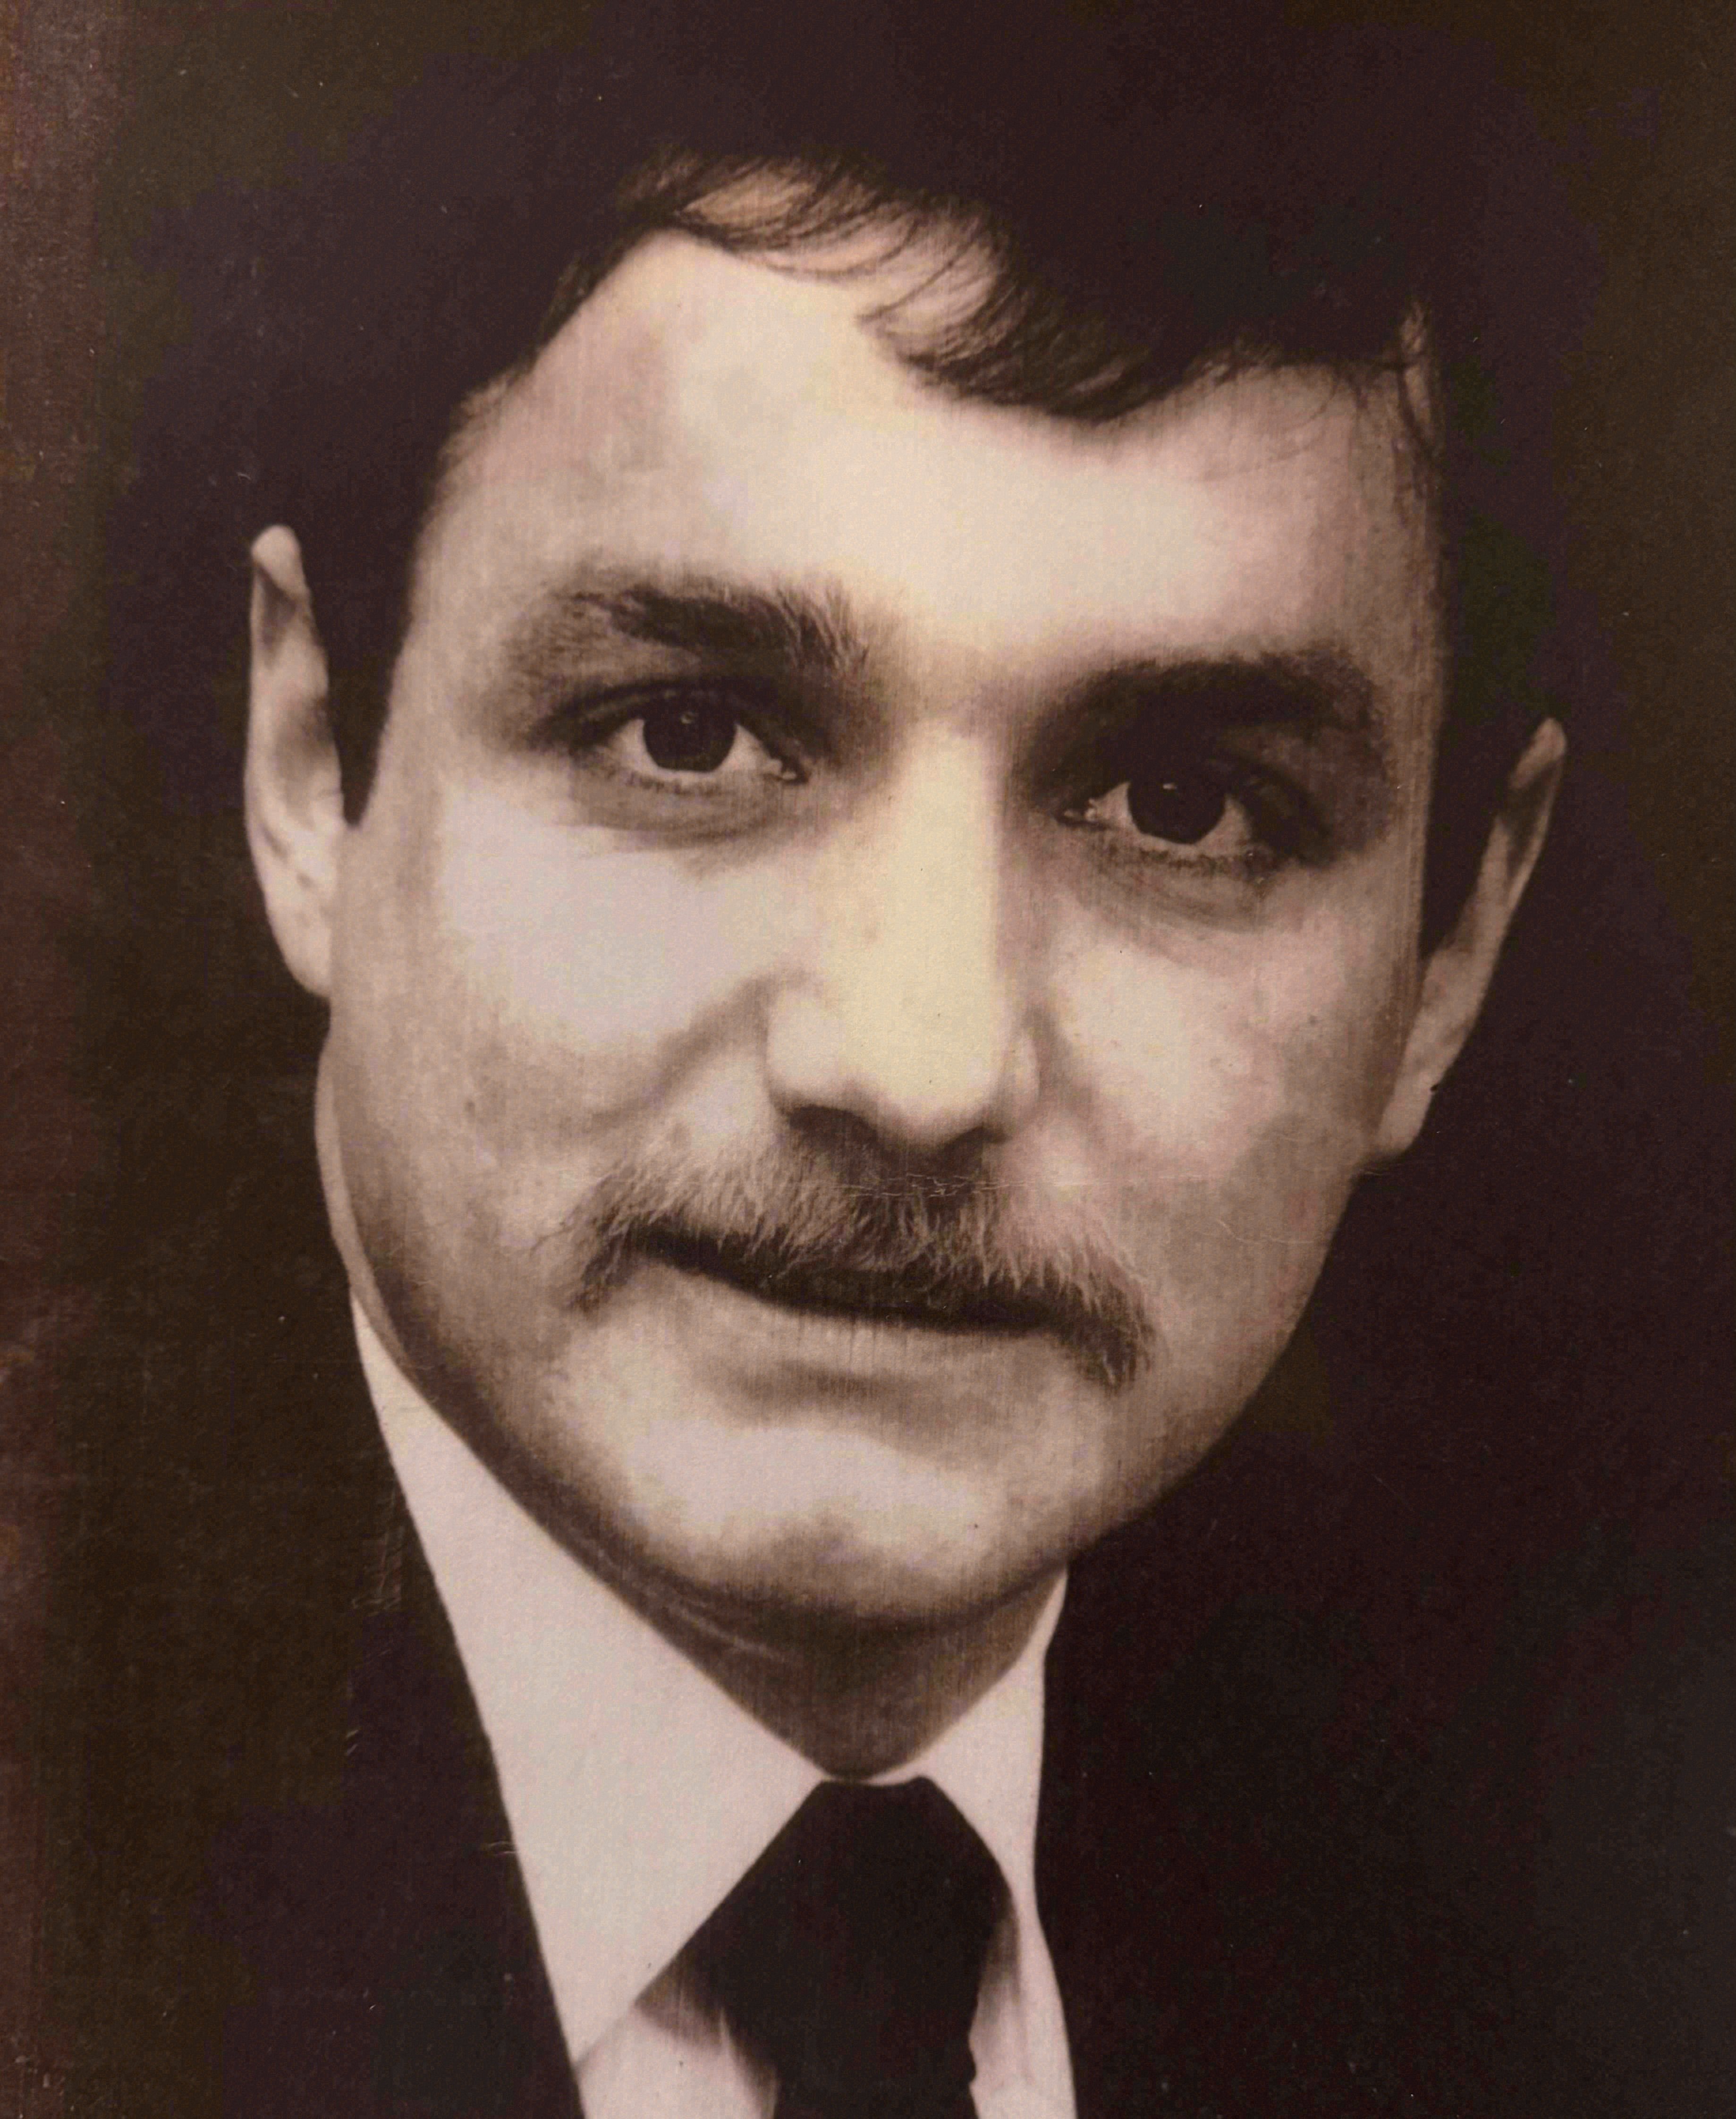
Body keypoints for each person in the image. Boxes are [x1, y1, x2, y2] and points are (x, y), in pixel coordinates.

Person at [22, 3, 1730, 2115]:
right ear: (310, 773)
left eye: (1181, 805)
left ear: (1449, 955)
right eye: (689, 737)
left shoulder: (1578, 1967)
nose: (915, 1065)